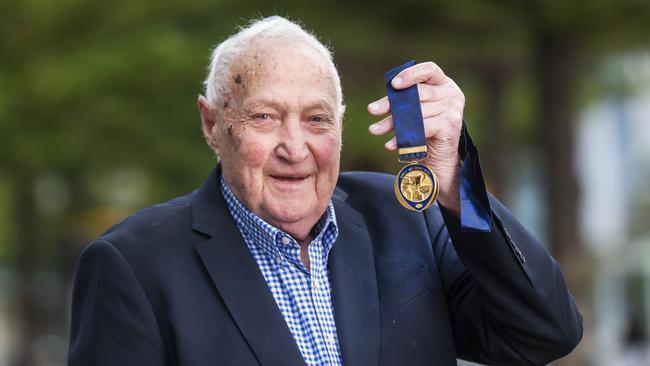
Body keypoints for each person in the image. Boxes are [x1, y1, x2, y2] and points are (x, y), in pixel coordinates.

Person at [68, 16, 582, 366]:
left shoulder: (407, 217)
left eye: (316, 119)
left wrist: (454, 184)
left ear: (340, 124)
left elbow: (543, 331)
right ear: (213, 123)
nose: (295, 147)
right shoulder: (131, 265)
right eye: (265, 117)